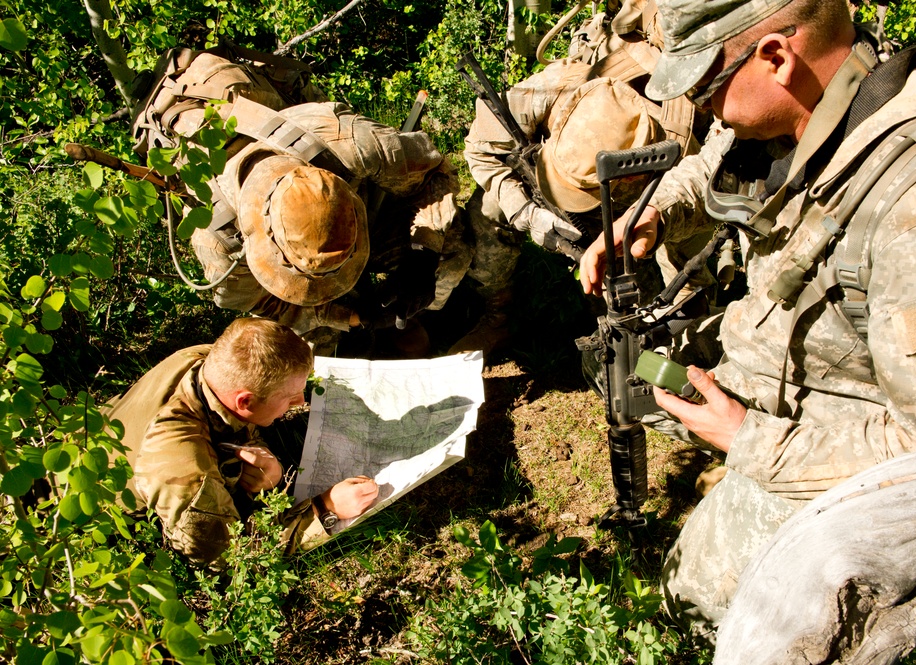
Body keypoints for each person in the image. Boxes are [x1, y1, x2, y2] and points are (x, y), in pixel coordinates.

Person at [579, 0, 916, 640]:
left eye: (707, 88)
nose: (704, 110)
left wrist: (752, 441)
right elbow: (711, 165)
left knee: (699, 602)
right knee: (635, 382)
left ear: (776, 57)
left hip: (844, 447)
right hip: (768, 380)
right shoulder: (803, 108)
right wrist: (656, 211)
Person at [132, 47, 471, 357]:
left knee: (452, 249)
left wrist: (423, 256)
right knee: (300, 349)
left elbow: (436, 174)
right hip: (287, 270)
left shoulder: (347, 142)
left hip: (371, 216)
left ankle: (418, 315)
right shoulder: (218, 243)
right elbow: (269, 305)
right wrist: (350, 317)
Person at [453, 35, 708, 356]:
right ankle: (498, 317)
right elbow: (480, 149)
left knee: (645, 310)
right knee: (489, 206)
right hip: (549, 198)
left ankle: (619, 325)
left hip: (631, 222)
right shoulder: (554, 92)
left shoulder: (681, 164)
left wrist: (668, 332)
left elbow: (689, 281)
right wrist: (525, 212)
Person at [105, 318, 379, 568]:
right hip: (96, 506)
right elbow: (232, 558)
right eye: (290, 396)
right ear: (245, 401)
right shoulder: (183, 471)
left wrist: (264, 461)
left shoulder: (210, 361)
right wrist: (325, 509)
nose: (301, 403)